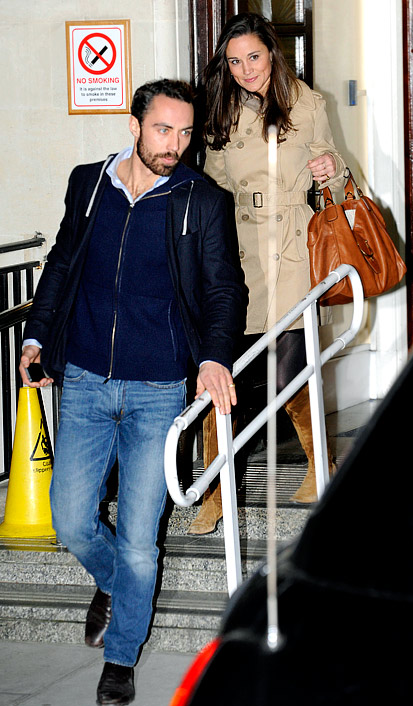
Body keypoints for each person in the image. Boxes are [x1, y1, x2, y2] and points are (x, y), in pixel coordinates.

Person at [19, 79, 245, 706]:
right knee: (70, 522)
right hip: (85, 380)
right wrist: (37, 335)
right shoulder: (89, 184)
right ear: (134, 125)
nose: (175, 144)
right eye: (163, 129)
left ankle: (120, 658)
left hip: (158, 389)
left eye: (185, 132)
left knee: (141, 542)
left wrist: (213, 357)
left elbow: (225, 289)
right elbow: (62, 262)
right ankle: (118, 582)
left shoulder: (202, 199)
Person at [187, 12, 347, 535]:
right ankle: (214, 492)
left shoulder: (306, 102)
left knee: (287, 372)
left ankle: (319, 464)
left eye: (253, 57)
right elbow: (211, 187)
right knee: (221, 370)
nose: (245, 70)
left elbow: (337, 174)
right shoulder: (221, 109)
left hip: (292, 249)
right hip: (239, 251)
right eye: (234, 62)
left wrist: (333, 171)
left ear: (272, 54)